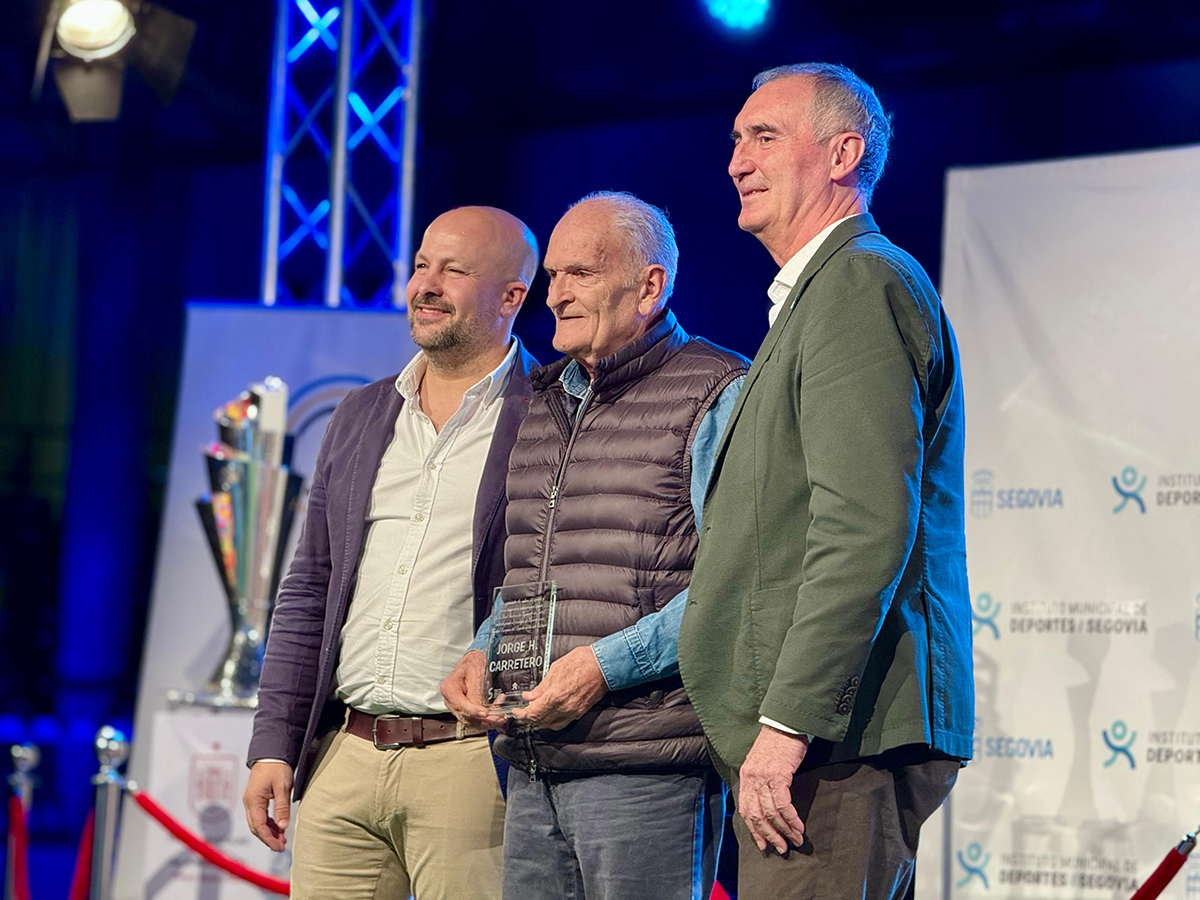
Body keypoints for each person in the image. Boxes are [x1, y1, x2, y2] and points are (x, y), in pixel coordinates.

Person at [677, 63, 974, 900]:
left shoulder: (856, 282)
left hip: (840, 741)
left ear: (843, 155)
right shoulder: (822, 291)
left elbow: (864, 526)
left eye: (764, 137)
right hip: (829, 738)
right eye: (736, 140)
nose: (737, 161)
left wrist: (787, 723)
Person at [441, 191, 749, 900]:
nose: (555, 295)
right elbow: (532, 573)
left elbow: (738, 584)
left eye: (580, 273)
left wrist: (603, 669)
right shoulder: (543, 401)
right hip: (532, 761)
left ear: (649, 286)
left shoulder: (717, 390)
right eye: (553, 275)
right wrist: (484, 648)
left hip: (646, 767)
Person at [241, 205, 540, 899]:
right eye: (421, 265)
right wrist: (274, 743)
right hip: (343, 756)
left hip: (471, 765)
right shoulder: (362, 413)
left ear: (511, 297)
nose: (425, 285)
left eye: (454, 270)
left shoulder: (550, 416)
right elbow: (310, 587)